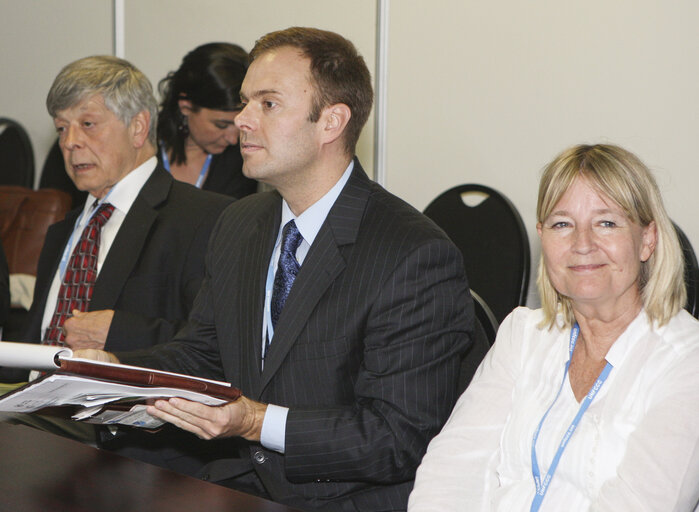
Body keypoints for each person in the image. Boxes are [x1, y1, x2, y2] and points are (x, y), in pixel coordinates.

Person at [77, 27, 473, 511]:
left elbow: (395, 438)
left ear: (331, 122)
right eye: (245, 102)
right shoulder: (240, 223)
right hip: (236, 481)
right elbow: (202, 354)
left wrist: (255, 422)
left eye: (267, 104)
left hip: (344, 497)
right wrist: (118, 372)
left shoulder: (412, 254)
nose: (241, 120)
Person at [408, 144, 699, 511]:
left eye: (606, 223)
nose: (582, 244)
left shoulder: (688, 362)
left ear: (647, 239)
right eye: (563, 224)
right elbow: (451, 470)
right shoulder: (523, 335)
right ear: (542, 236)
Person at [6, 55, 231, 371]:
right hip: (27, 406)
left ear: (138, 127)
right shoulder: (64, 230)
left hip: (118, 415)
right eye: (61, 128)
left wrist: (117, 333)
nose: (70, 143)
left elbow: (223, 344)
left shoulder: (205, 218)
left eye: (87, 124)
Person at [157, 42, 257, 198]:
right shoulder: (142, 151)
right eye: (221, 125)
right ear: (186, 107)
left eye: (240, 124)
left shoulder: (244, 162)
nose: (233, 139)